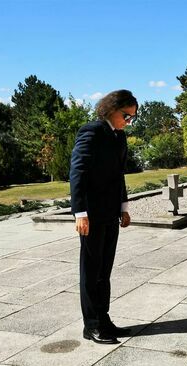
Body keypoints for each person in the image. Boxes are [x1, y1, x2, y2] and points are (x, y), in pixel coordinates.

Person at [70, 89, 137, 344]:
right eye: (126, 116)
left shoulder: (119, 137)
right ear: (111, 109)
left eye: (132, 118)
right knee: (90, 271)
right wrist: (80, 213)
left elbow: (118, 175)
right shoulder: (91, 132)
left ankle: (104, 319)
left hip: (110, 214)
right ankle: (92, 326)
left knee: (104, 272)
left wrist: (124, 207)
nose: (128, 122)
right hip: (91, 215)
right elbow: (78, 173)